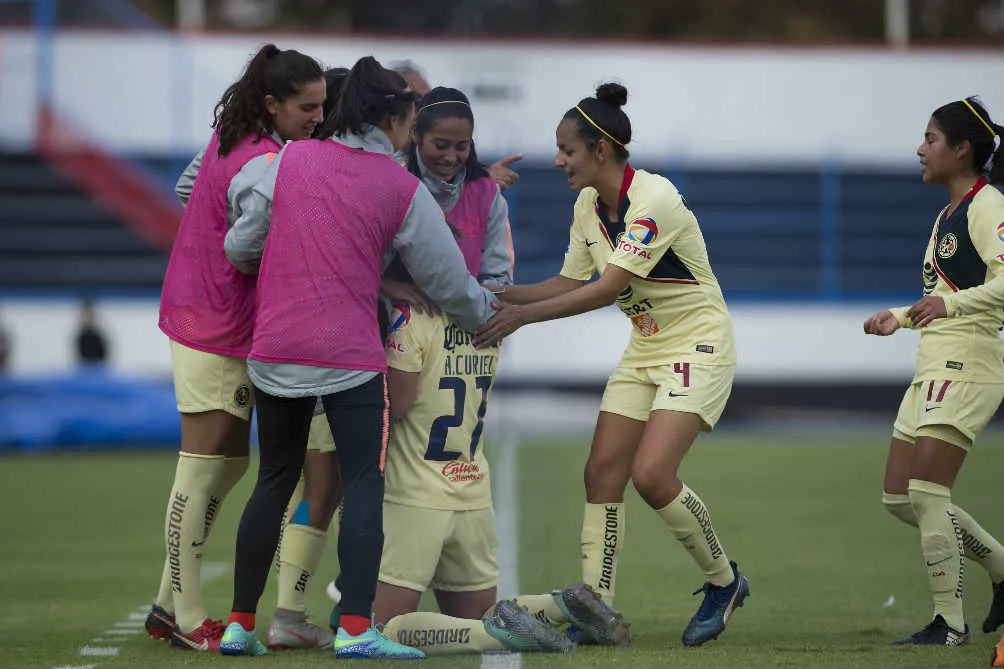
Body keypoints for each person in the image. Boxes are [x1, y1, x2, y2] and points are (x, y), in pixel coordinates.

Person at [321, 88, 626, 656]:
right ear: (417, 137)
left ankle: (498, 632)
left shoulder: (407, 304)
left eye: (461, 147)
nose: (453, 156)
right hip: (470, 479)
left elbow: (397, 404)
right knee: (475, 610)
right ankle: (560, 606)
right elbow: (495, 278)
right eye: (442, 144)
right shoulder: (491, 309)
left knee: (371, 626)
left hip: (416, 488)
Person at [219, 56, 498, 660]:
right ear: (393, 120)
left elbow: (240, 245)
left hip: (275, 347)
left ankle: (239, 625)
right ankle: (354, 630)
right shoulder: (400, 186)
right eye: (409, 125)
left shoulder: (289, 159)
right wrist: (488, 312)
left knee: (274, 479)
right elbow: (448, 283)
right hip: (350, 356)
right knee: (365, 482)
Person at [473, 83, 750, 647]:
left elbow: (606, 288)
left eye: (567, 150)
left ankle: (725, 582)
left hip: (698, 344)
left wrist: (523, 318)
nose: (558, 160)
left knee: (651, 477)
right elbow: (569, 281)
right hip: (646, 347)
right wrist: (496, 294)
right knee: (601, 472)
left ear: (601, 150)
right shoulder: (587, 206)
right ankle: (599, 613)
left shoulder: (655, 199)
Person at [150, 44, 328, 653]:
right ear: (272, 103)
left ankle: (167, 601)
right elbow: (245, 247)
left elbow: (187, 188)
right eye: (307, 108)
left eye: (322, 107)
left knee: (228, 462)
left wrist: (208, 232)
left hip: (211, 312)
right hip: (216, 321)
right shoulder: (266, 161)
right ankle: (187, 616)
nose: (317, 118)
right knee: (202, 464)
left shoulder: (233, 139)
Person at [864, 96, 1004, 647]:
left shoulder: (988, 206)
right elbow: (941, 296)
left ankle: (951, 624)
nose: (920, 149)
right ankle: (1001, 567)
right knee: (900, 497)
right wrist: (898, 317)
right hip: (934, 364)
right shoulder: (948, 213)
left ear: (962, 148)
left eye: (930, 139)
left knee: (926, 492)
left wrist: (950, 305)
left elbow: (985, 291)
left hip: (968, 363)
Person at [75, 298, 108, 366]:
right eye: (85, 315)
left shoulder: (98, 337)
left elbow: (104, 358)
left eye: (90, 315)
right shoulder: (80, 337)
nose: (87, 318)